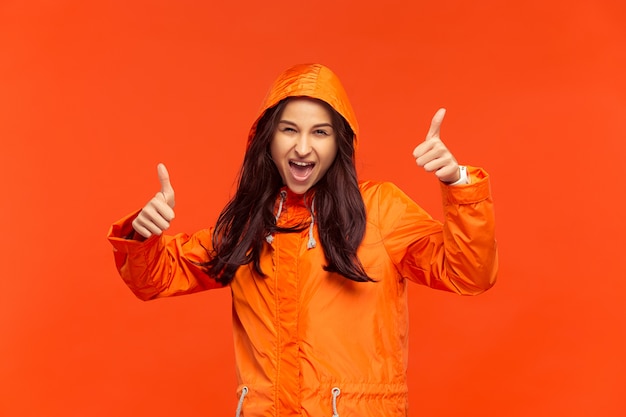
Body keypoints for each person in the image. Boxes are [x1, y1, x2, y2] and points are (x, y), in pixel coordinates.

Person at [107, 63, 498, 417]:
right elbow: (154, 278)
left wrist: (457, 183)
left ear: (339, 143)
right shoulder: (248, 226)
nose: (303, 147)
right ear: (267, 139)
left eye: (320, 133)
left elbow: (469, 273)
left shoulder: (380, 212)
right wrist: (143, 234)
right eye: (289, 129)